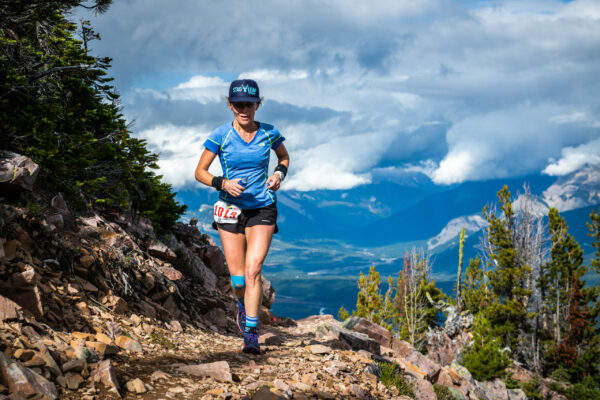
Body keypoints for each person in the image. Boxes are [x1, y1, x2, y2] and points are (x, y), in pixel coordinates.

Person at [194, 79, 289, 354]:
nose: (243, 109)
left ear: (258, 104)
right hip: (230, 209)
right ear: (230, 105)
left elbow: (283, 157)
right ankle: (242, 304)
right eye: (238, 104)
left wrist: (278, 174)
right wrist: (222, 183)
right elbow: (199, 172)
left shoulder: (270, 133)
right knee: (238, 281)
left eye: (249, 104)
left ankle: (251, 333)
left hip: (262, 207)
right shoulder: (221, 135)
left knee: (253, 271)